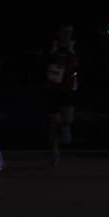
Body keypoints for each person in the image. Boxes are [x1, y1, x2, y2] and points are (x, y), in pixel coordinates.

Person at [45, 24, 80, 163]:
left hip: (69, 88)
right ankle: (55, 152)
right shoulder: (52, 46)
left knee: (67, 119)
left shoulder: (75, 47)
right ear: (59, 33)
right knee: (53, 122)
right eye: (63, 31)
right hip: (52, 89)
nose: (66, 34)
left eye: (69, 32)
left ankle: (65, 128)